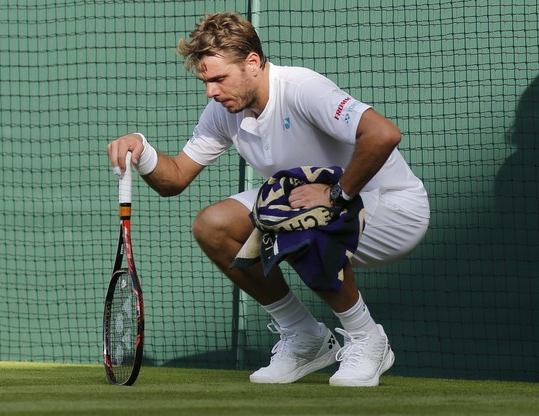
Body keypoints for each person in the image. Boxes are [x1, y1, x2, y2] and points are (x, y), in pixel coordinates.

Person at [107, 11, 430, 387]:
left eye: (218, 79)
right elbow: (175, 179)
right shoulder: (222, 111)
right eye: (205, 81)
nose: (210, 91)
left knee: (294, 211)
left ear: (252, 62)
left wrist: (335, 194)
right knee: (213, 226)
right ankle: (305, 337)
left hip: (394, 210)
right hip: (322, 207)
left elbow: (383, 134)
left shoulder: (301, 87)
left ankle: (366, 338)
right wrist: (142, 150)